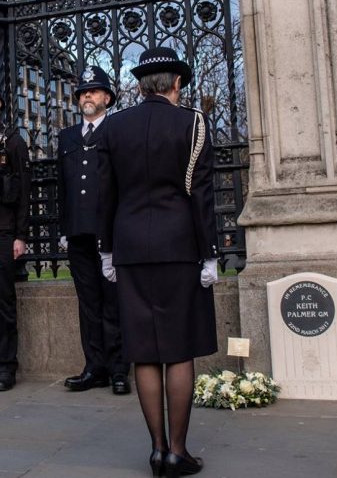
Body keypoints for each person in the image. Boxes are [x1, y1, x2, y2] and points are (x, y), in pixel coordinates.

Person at [98, 47, 220, 477]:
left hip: (130, 247)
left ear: (139, 85)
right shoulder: (192, 124)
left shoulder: (114, 127)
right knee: (179, 348)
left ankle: (155, 450)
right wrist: (211, 255)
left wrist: (107, 249)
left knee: (145, 352)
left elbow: (105, 194)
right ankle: (178, 452)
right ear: (176, 84)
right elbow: (201, 196)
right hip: (178, 246)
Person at [59, 66, 130, 395]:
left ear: (107, 98)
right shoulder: (67, 137)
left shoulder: (117, 131)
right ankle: (95, 367)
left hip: (110, 233)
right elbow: (64, 187)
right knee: (87, 303)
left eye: (93, 91)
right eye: (82, 92)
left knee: (113, 302)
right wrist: (63, 228)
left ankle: (118, 369)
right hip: (78, 233)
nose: (86, 95)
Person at [0, 94, 30, 392]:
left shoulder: (12, 143)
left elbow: (23, 192)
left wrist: (21, 235)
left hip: (3, 232)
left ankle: (6, 366)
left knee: (4, 304)